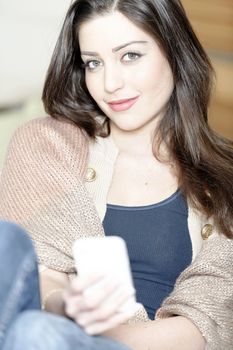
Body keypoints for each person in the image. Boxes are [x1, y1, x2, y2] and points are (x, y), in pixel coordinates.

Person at [0, 0, 232, 349]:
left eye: (130, 56)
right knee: (7, 244)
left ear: (174, 50)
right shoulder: (47, 143)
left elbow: (202, 329)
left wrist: (94, 332)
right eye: (93, 63)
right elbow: (43, 280)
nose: (110, 83)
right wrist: (67, 307)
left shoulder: (226, 176)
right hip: (45, 334)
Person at [0, 221, 130, 350]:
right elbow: (50, 282)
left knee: (35, 330)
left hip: (127, 335)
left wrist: (108, 326)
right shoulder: (70, 208)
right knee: (6, 236)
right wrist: (69, 304)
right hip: (62, 324)